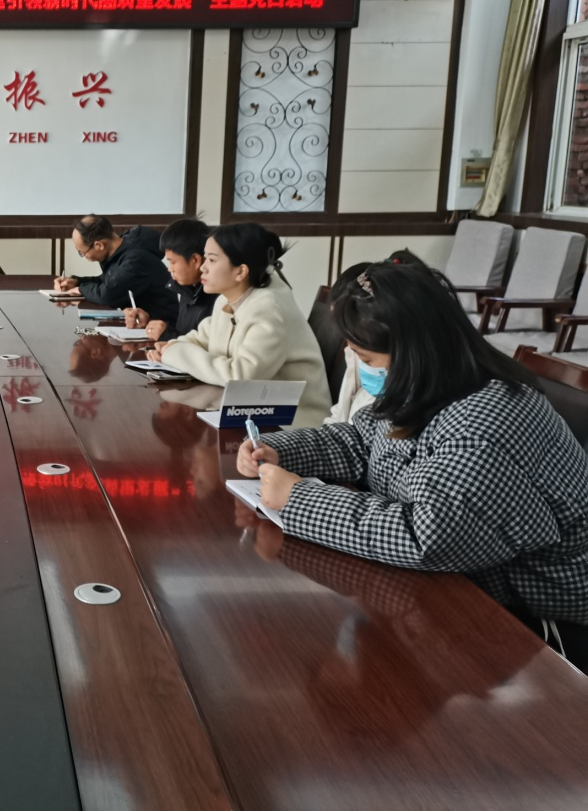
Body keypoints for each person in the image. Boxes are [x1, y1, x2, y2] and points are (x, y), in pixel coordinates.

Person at [237, 261, 588, 671]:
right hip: (468, 582)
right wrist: (281, 450)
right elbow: (362, 440)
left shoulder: (483, 425)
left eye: (366, 357)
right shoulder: (434, 383)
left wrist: (300, 499)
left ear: (414, 351)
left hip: (536, 622)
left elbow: (428, 538)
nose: (360, 366)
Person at [152, 222, 331, 426]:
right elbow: (203, 337)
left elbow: (241, 376)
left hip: (290, 422)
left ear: (241, 271)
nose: (203, 267)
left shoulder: (269, 308)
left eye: (211, 259)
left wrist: (175, 353)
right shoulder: (228, 298)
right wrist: (170, 346)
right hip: (251, 408)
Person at [325, 250, 426, 425]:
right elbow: (341, 414)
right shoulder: (360, 352)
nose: (346, 338)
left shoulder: (406, 397)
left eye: (367, 359)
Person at [52, 215, 175, 320]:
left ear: (99, 245)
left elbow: (107, 295)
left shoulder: (135, 259)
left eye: (82, 253)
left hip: (161, 326)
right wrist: (76, 282)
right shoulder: (122, 249)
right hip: (139, 321)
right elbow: (108, 282)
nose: (84, 256)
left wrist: (80, 289)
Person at [124, 218, 218, 340]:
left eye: (173, 262)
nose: (169, 269)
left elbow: (206, 347)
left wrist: (166, 336)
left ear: (195, 260)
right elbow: (183, 332)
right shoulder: (187, 289)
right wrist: (149, 322)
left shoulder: (217, 299)